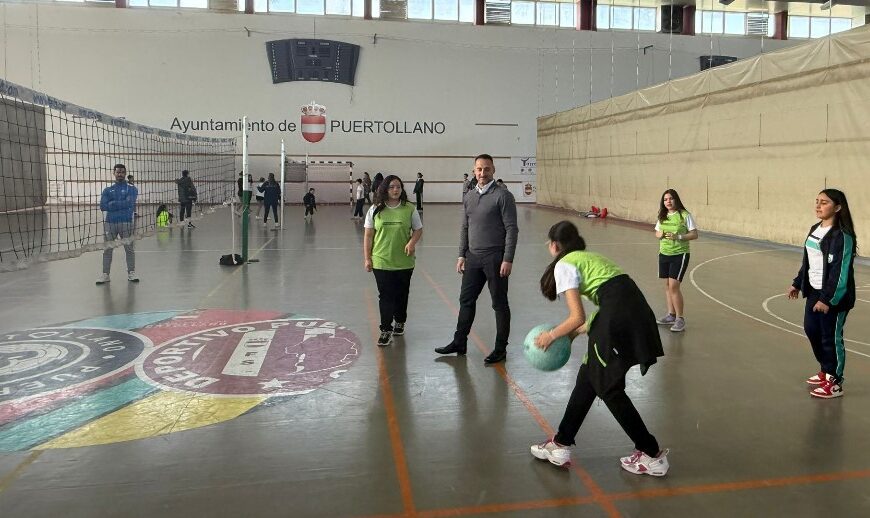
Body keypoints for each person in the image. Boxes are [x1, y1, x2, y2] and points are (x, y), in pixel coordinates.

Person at [530, 220, 668, 475]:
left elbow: (577, 317)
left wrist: (552, 336)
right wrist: (571, 336)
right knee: (588, 378)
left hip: (619, 318)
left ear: (554, 245)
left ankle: (652, 454)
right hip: (634, 313)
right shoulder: (588, 257)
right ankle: (560, 444)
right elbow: (604, 308)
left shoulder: (564, 263)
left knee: (609, 388)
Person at [436, 154, 518, 364]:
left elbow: (511, 228)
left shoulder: (503, 196)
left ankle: (500, 349)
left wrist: (507, 258)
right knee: (466, 300)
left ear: (493, 170)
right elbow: (465, 227)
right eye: (479, 169)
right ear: (474, 170)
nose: (483, 173)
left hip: (495, 258)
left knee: (499, 304)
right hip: (473, 257)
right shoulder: (469, 196)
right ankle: (459, 341)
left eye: (487, 169)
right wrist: (461, 254)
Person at [787, 189, 857, 399]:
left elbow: (840, 271)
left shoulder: (842, 236)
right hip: (814, 292)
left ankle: (835, 382)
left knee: (830, 338)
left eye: (824, 202)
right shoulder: (815, 229)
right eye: (817, 201)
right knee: (812, 330)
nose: (818, 206)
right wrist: (798, 283)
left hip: (834, 297)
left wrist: (828, 299)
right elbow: (808, 261)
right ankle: (826, 370)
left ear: (837, 207)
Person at [363, 175, 423, 346]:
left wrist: (412, 242)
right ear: (384, 189)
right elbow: (368, 236)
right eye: (391, 187)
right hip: (381, 260)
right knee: (386, 296)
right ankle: (385, 329)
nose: (395, 190)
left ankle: (400, 321)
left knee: (401, 295)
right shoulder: (375, 209)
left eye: (398, 187)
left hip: (404, 262)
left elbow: (418, 230)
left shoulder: (409, 209)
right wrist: (367, 258)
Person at [654, 189, 698, 332]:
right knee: (667, 285)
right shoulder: (662, 215)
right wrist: (659, 234)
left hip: (680, 254)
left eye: (671, 199)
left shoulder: (684, 215)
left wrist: (678, 237)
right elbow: (657, 232)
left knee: (674, 286)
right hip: (664, 253)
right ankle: (671, 315)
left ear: (676, 200)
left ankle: (680, 319)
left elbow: (694, 234)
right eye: (666, 199)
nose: (668, 201)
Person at [97, 164, 139, 284]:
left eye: (122, 172)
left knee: (129, 249)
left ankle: (131, 273)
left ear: (125, 174)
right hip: (110, 223)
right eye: (118, 172)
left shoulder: (131, 189)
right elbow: (102, 206)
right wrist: (121, 203)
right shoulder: (107, 190)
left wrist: (112, 203)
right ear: (114, 173)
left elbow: (130, 203)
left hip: (126, 222)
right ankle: (105, 275)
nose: (120, 174)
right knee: (107, 249)